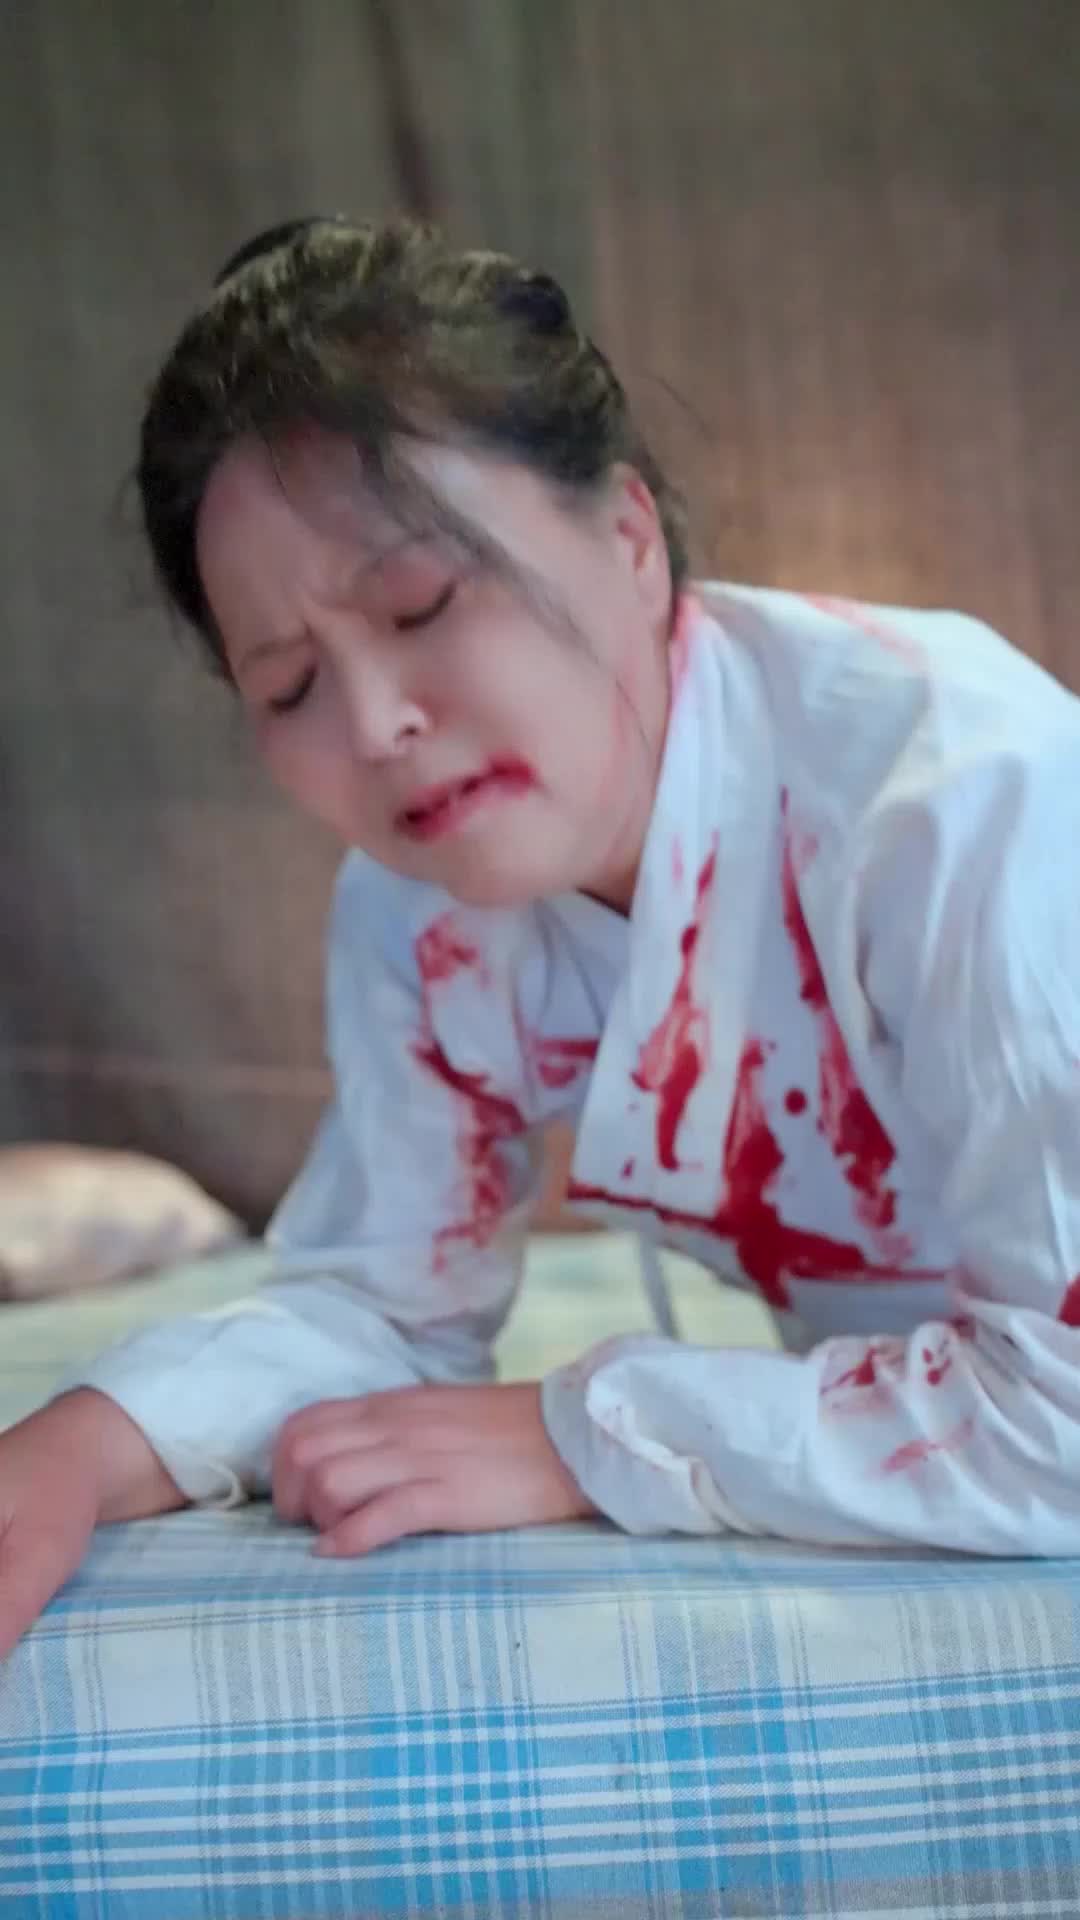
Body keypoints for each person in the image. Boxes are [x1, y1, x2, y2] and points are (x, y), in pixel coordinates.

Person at [3, 214, 1080, 1660]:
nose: (375, 724)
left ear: (629, 539)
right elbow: (384, 1307)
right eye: (288, 686)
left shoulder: (963, 804)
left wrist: (587, 1432)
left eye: (421, 603)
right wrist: (83, 1445)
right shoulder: (422, 912)